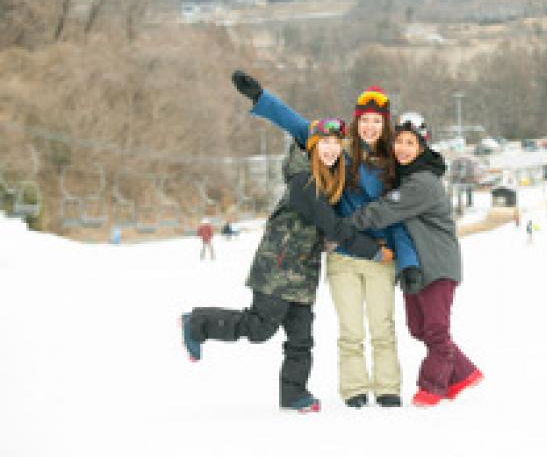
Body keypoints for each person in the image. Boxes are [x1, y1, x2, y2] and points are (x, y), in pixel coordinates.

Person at [231, 70, 419, 409]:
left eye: (377, 121)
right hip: (344, 253)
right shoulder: (340, 149)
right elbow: (300, 126)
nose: (370, 127)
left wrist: (408, 262)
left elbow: (401, 217)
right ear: (357, 122)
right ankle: (354, 390)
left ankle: (388, 389)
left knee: (383, 327)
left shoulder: (394, 164)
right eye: (365, 120)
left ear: (385, 125)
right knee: (350, 330)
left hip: (381, 255)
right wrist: (261, 98)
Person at [180, 118, 394, 413]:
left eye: (335, 143)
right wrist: (373, 252)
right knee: (259, 327)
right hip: (278, 268)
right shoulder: (304, 182)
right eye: (324, 143)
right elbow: (332, 228)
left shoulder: (326, 181)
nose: (331, 149)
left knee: (301, 337)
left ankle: (294, 394)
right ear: (312, 146)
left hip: (303, 271)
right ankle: (197, 322)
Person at [346, 112, 482, 408]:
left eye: (410, 143)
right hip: (417, 263)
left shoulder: (421, 182)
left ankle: (432, 386)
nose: (403, 148)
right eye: (399, 142)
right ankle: (463, 373)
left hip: (437, 263)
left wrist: (346, 224)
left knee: (435, 330)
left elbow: (383, 211)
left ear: (422, 147)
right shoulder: (405, 176)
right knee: (418, 328)